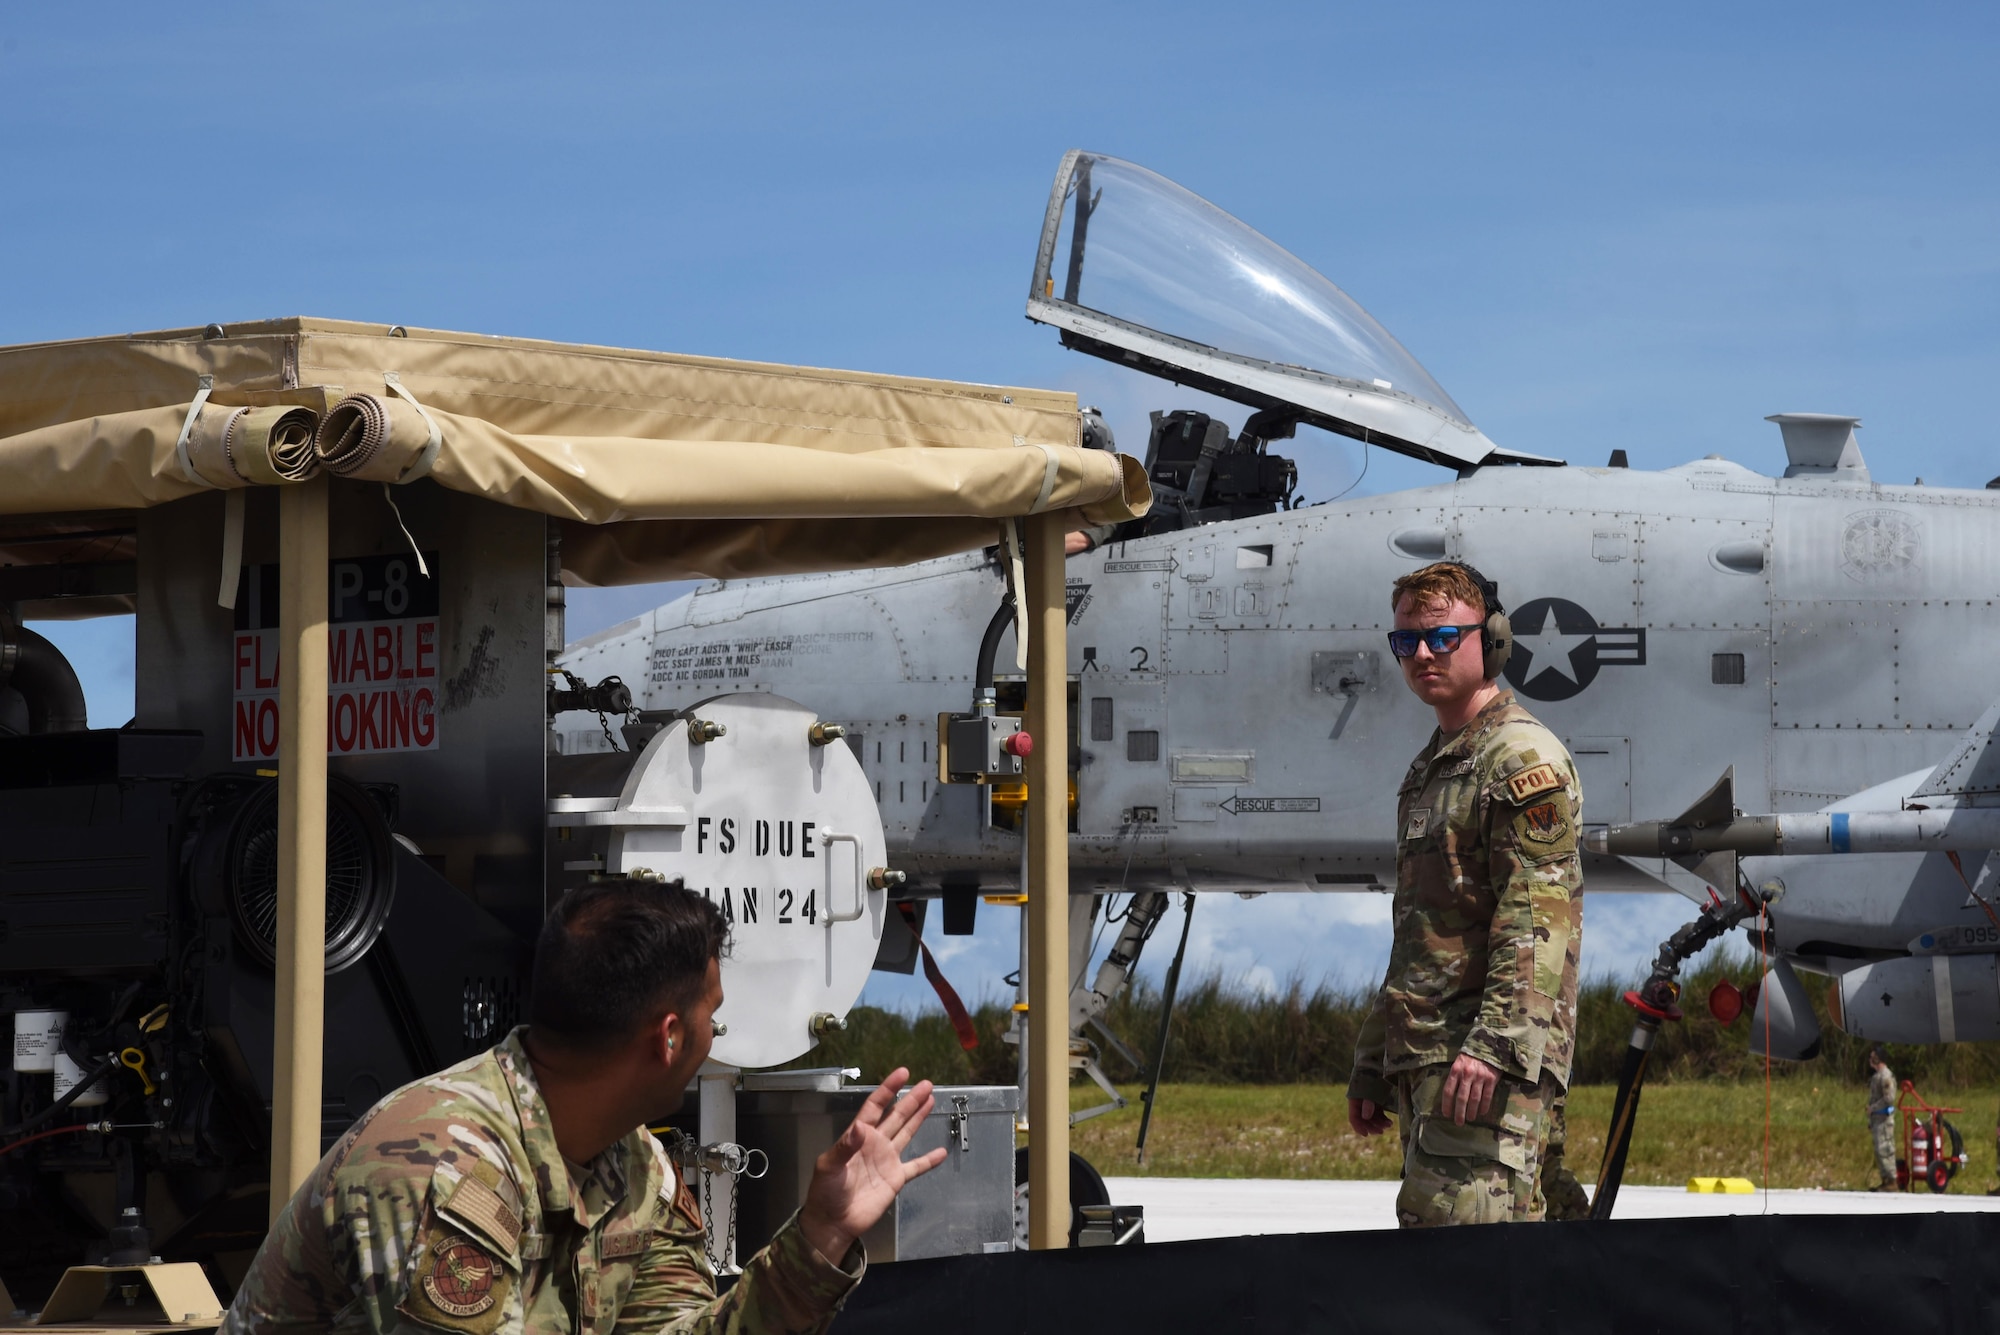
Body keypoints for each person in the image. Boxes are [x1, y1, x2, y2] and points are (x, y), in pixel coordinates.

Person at [224, 874, 945, 1334]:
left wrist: (818, 1236)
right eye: (711, 1016)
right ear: (668, 1035)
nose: (713, 1037)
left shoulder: (636, 1166)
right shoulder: (444, 1165)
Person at [1345, 561, 1585, 1226]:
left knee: (1463, 1274)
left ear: (1494, 639)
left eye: (1443, 637)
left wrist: (1494, 1046)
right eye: (1407, 642)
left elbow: (1538, 919)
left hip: (1483, 1066)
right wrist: (1375, 1056)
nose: (1423, 654)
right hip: (1434, 1061)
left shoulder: (1517, 759)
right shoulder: (1437, 764)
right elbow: (1424, 930)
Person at [1867, 1046, 1898, 1191]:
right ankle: (1885, 1180)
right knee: (1879, 1151)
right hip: (1877, 1120)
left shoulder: (1885, 1076)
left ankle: (1892, 1180)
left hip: (1884, 1120)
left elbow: (1889, 1098)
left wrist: (1873, 1108)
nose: (1870, 1060)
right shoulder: (1876, 1077)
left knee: (1885, 1149)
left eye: (1873, 1057)